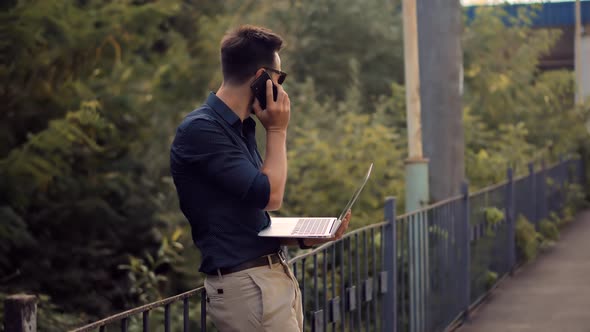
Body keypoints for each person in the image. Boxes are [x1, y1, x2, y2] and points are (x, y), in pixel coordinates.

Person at [170, 25, 351, 331]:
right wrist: (278, 130)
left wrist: (304, 236)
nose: (281, 88)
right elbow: (271, 196)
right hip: (247, 286)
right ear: (261, 78)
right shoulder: (201, 130)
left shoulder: (239, 128)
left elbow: (247, 213)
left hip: (268, 280)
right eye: (279, 79)